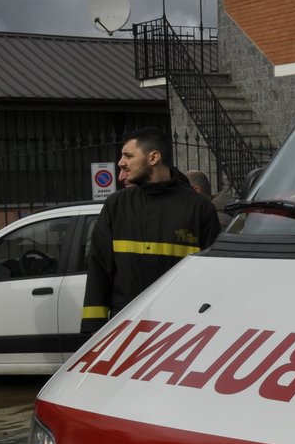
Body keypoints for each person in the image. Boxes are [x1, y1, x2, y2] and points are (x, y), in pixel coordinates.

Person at [81, 129, 222, 334]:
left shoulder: (199, 208)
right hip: (124, 329)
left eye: (128, 155)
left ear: (154, 157)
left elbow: (212, 276)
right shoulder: (116, 205)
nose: (121, 162)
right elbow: (98, 270)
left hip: (179, 331)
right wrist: (92, 331)